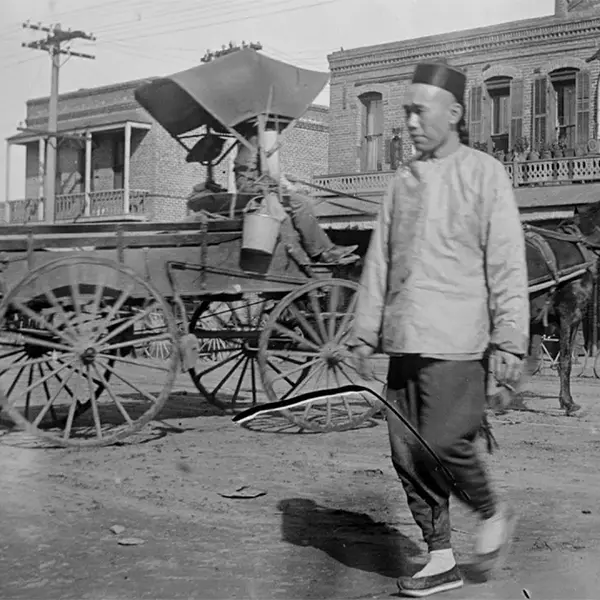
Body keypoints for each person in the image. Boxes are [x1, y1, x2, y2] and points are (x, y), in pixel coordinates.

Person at [349, 60, 529, 597]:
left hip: (457, 340)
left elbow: (506, 264)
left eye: (417, 110)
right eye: (403, 111)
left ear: (452, 114)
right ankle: (440, 557)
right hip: (405, 340)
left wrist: (509, 340)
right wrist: (363, 331)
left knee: (447, 441)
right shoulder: (401, 183)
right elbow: (379, 260)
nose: (407, 121)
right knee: (406, 451)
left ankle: (494, 513)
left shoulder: (484, 174)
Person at [233, 123, 358, 264]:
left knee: (306, 201)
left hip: (264, 190)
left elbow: (270, 174)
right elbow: (245, 180)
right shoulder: (254, 142)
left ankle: (325, 248)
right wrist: (269, 187)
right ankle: (322, 252)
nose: (280, 132)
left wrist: (288, 186)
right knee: (301, 204)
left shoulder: (260, 142)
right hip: (255, 194)